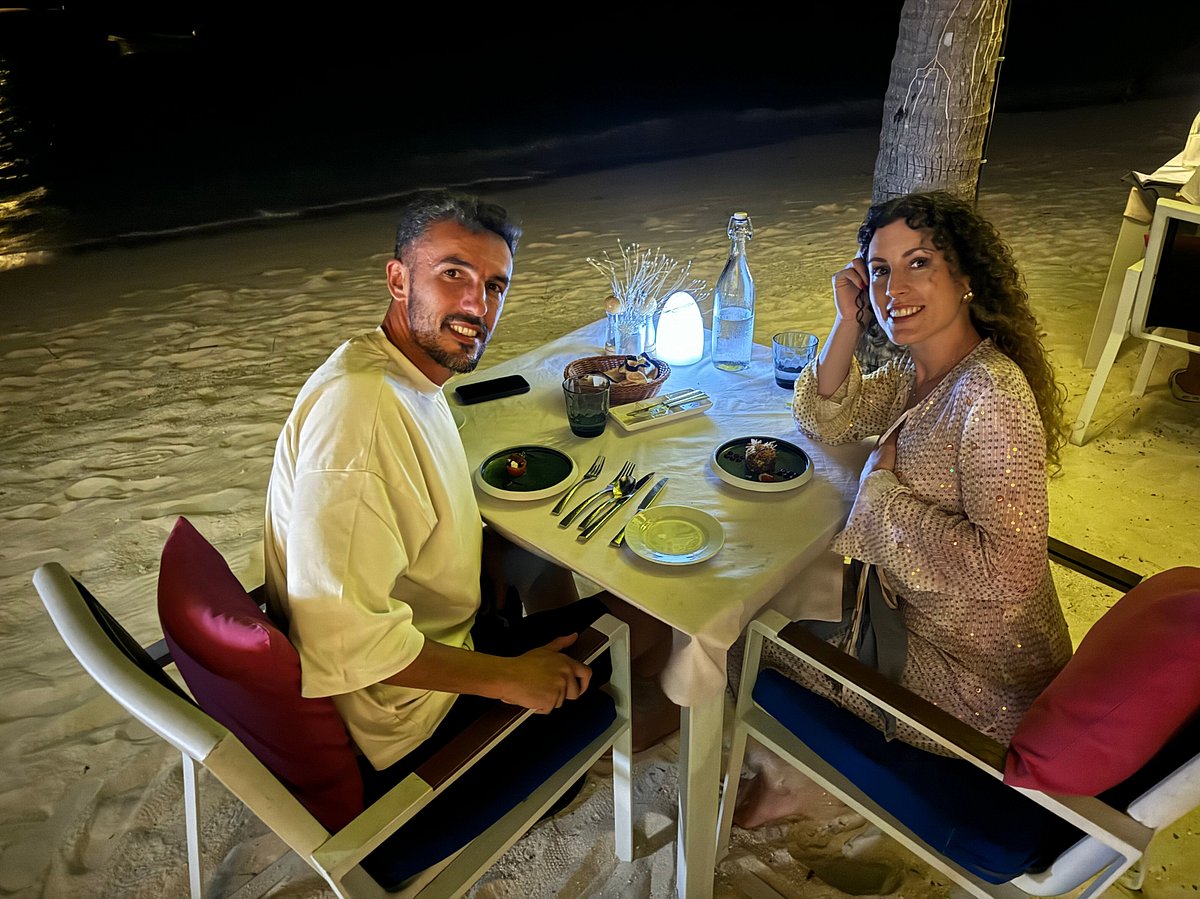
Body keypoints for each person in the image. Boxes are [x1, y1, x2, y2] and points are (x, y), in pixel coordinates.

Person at [262, 189, 672, 800]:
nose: (477, 304)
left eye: (494, 285)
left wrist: (480, 564)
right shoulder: (363, 416)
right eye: (453, 274)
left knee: (531, 555)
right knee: (660, 620)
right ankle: (597, 742)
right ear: (398, 280)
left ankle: (569, 662)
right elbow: (343, 638)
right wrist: (510, 678)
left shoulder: (393, 373)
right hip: (411, 723)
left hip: (441, 635)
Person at [731, 191, 1073, 828]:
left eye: (919, 263)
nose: (896, 288)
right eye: (881, 270)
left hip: (977, 683)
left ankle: (800, 784)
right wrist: (848, 321)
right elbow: (823, 417)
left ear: (967, 277)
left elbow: (1010, 571)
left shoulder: (990, 399)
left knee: (745, 636)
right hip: (913, 616)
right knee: (779, 588)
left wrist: (881, 496)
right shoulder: (922, 372)